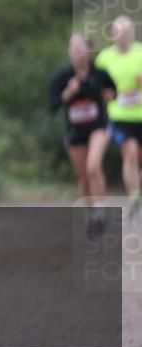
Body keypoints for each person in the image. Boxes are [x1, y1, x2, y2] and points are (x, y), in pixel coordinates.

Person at [48, 34, 116, 236]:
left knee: (93, 167)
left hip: (98, 128)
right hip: (75, 132)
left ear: (89, 52)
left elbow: (113, 92)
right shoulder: (62, 77)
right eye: (73, 47)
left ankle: (101, 212)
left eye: (80, 47)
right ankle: (93, 216)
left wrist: (110, 96)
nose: (76, 50)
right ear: (69, 52)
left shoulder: (100, 74)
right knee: (84, 178)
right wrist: (68, 93)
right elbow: (52, 106)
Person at [95, 16, 142, 214]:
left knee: (137, 157)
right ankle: (135, 198)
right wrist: (106, 94)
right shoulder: (104, 58)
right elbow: (95, 85)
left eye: (126, 32)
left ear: (132, 33)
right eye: (118, 32)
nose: (122, 36)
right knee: (130, 154)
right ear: (112, 35)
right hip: (119, 115)